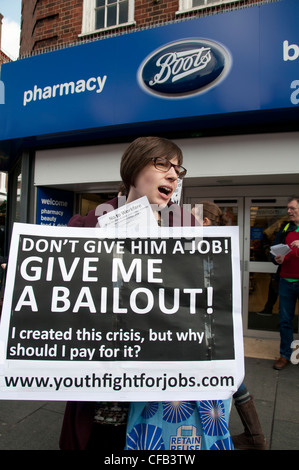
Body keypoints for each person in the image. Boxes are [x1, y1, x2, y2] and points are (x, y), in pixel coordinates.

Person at [59, 136, 198, 450]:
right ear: (134, 167)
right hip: (104, 387)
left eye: (178, 169)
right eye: (163, 164)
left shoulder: (187, 226)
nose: (174, 176)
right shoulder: (88, 226)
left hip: (164, 389)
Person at [193, 201, 267, 450]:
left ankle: (239, 436)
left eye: (192, 216)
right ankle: (254, 436)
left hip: (205, 322)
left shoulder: (204, 247)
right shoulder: (219, 247)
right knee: (229, 375)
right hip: (214, 322)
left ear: (204, 222)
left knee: (225, 377)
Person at [271, 196, 299, 371]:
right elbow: (273, 252)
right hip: (286, 280)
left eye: (292, 208)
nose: (289, 211)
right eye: (288, 208)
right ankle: (285, 355)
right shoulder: (285, 228)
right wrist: (277, 259)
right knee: (285, 321)